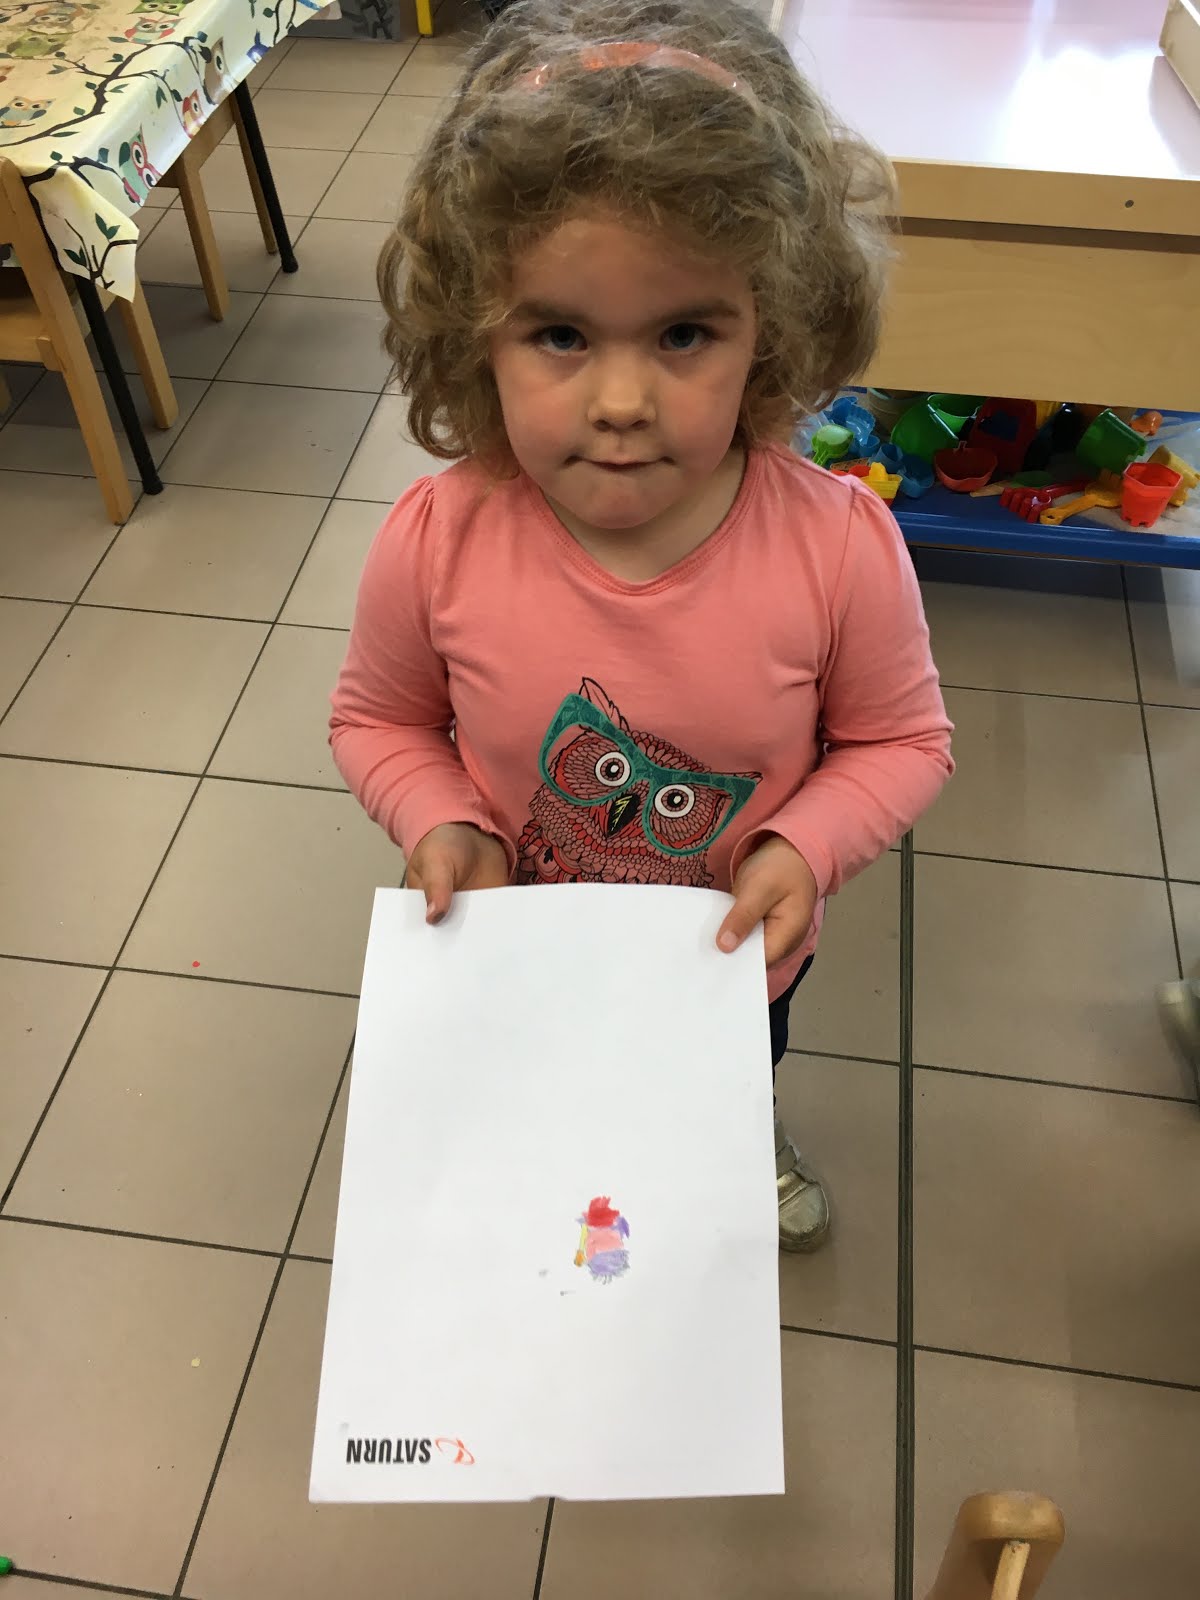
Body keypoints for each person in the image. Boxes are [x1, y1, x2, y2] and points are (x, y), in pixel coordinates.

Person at [330, 0, 954, 1252]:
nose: (621, 400)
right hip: (517, 946)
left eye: (683, 334)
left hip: (731, 963)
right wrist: (444, 819)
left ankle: (738, 1127)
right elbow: (378, 719)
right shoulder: (437, 539)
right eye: (560, 334)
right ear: (474, 333)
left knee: (727, 1075)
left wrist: (806, 845)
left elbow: (902, 742)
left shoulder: (837, 548)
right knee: (544, 1094)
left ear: (771, 324)